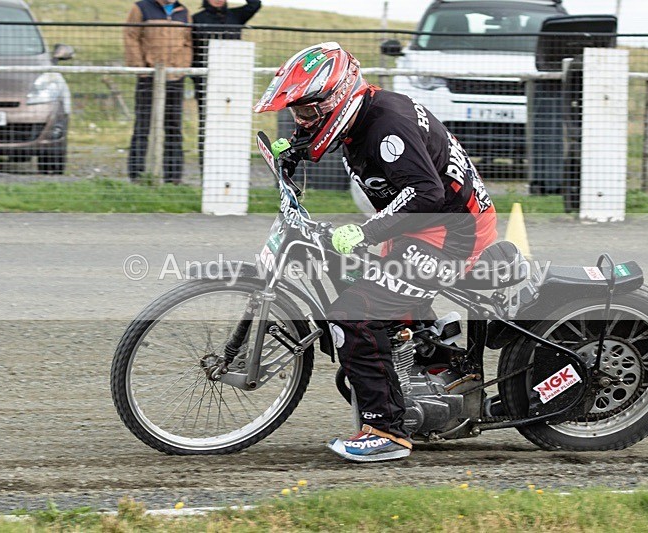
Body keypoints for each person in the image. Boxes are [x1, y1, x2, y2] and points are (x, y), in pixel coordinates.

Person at [254, 43, 498, 463]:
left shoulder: (387, 126)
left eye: (308, 112)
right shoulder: (363, 115)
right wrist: (292, 151)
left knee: (354, 314)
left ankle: (386, 431)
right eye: (297, 113)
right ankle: (438, 370)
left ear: (337, 97)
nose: (302, 121)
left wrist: (367, 231)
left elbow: (425, 192)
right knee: (363, 285)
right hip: (423, 224)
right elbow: (316, 136)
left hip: (452, 231)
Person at [124, 0, 193, 184]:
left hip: (175, 78)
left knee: (173, 128)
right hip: (148, 77)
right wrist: (141, 69)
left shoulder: (183, 12)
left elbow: (188, 42)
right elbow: (131, 37)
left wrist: (182, 67)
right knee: (142, 126)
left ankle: (173, 179)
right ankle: (137, 176)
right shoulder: (141, 8)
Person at [192, 0, 262, 170]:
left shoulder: (235, 16)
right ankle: (206, 169)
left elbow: (255, 4)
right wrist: (198, 80)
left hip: (234, 83)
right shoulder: (196, 19)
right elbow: (192, 53)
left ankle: (232, 169)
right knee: (207, 127)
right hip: (206, 84)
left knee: (234, 126)